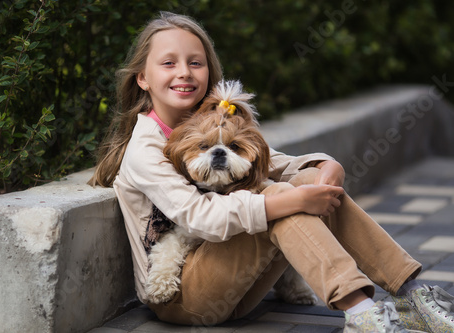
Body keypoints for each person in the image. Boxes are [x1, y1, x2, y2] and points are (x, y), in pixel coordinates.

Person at [89, 11, 454, 332]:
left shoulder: (215, 120)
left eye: (195, 62)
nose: (184, 72)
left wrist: (324, 165)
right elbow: (198, 217)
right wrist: (288, 200)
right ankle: (362, 312)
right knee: (278, 197)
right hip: (185, 300)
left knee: (307, 183)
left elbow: (269, 160)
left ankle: (411, 296)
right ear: (142, 78)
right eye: (168, 63)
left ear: (209, 71)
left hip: (240, 294)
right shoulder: (146, 148)